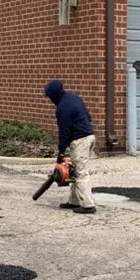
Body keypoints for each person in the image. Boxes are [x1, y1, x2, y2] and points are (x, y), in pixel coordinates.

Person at [44, 79, 96, 214]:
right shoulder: (74, 98)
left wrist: (60, 152)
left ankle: (88, 205)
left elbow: (64, 132)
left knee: (80, 173)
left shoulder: (62, 108)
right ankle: (74, 201)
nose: (50, 100)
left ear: (54, 95)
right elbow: (88, 116)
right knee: (74, 170)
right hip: (89, 137)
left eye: (49, 97)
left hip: (80, 141)